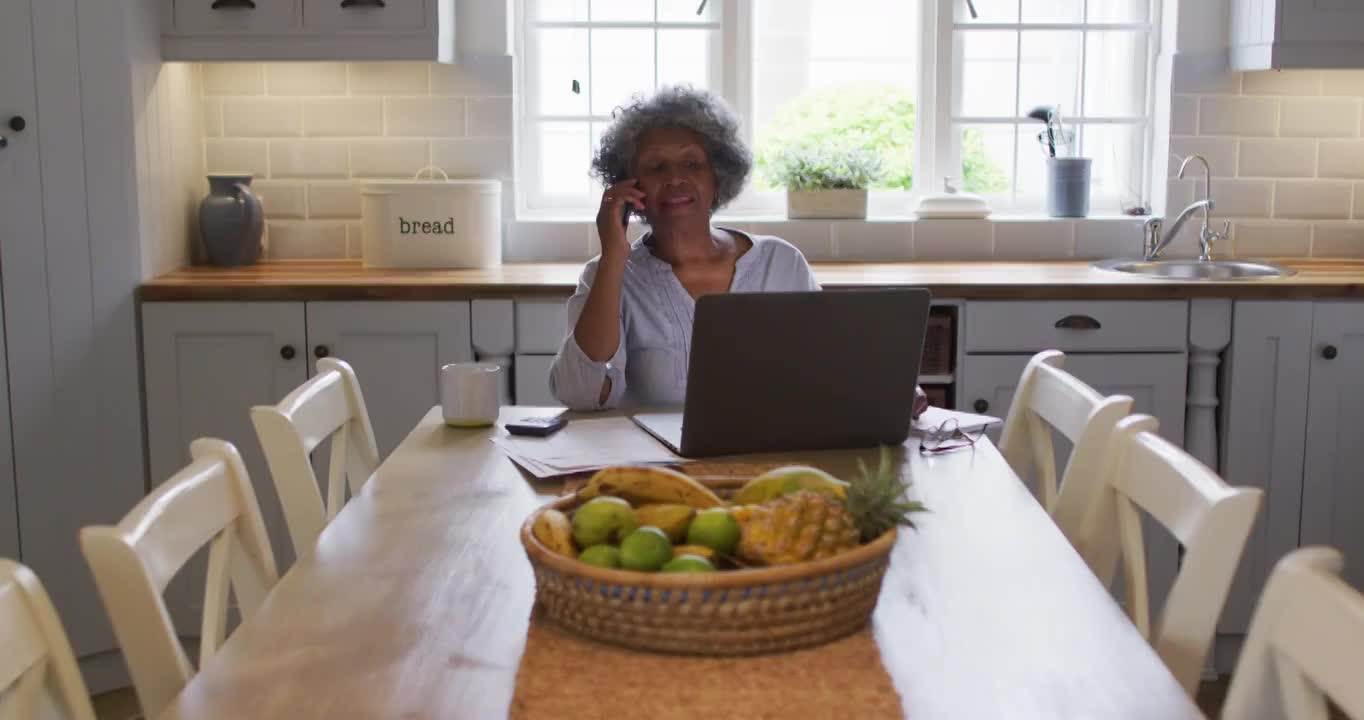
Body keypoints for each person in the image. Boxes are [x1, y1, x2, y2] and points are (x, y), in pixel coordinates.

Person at [548, 85, 928, 416]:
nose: (676, 178)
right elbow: (582, 395)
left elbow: (824, 367)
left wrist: (888, 392)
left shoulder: (780, 263)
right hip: (657, 474)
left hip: (769, 462)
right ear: (630, 187)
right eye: (657, 167)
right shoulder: (607, 275)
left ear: (718, 177)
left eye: (691, 164)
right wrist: (614, 254)